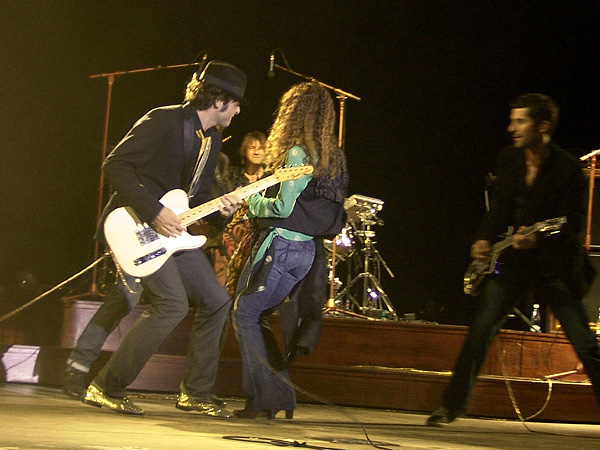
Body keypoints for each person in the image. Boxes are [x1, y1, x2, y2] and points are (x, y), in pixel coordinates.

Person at [81, 60, 245, 416]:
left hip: (173, 234)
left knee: (217, 301)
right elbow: (115, 165)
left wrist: (221, 207)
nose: (237, 109)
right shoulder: (164, 119)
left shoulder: (212, 139)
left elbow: (194, 197)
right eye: (235, 102)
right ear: (218, 100)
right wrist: (153, 210)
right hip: (136, 225)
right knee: (171, 304)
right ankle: (105, 387)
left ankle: (196, 394)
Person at [427, 93, 600, 426]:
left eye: (521, 121)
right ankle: (451, 406)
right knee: (479, 332)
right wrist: (482, 238)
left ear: (543, 125)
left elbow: (573, 226)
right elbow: (500, 208)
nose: (512, 128)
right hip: (514, 265)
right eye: (512, 120)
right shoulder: (509, 160)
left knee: (584, 341)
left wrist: (539, 237)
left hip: (553, 266)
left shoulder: (567, 170)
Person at [231, 82, 348, 419]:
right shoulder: (334, 157)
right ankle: (277, 396)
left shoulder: (298, 153)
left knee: (244, 313)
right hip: (306, 251)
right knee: (258, 315)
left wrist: (250, 198)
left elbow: (282, 208)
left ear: (292, 113)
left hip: (280, 246)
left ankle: (268, 396)